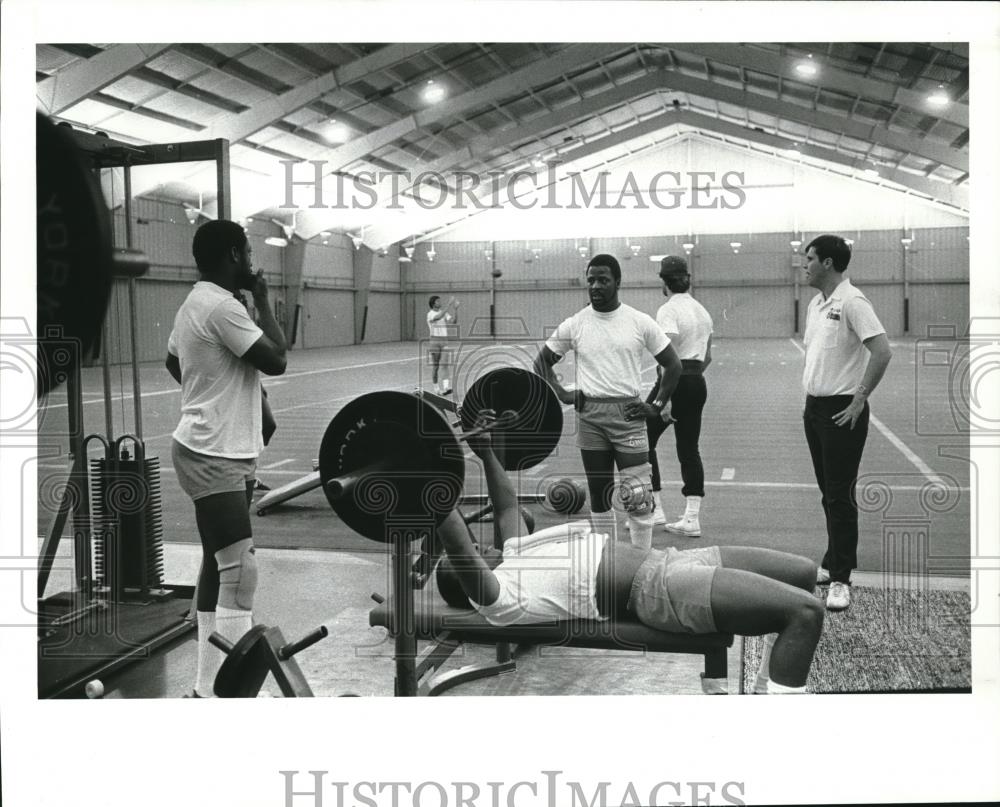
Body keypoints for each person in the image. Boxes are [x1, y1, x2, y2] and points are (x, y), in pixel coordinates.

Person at [434, 409, 825, 694]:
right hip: (660, 589)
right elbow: (460, 546)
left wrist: (486, 451)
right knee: (805, 613)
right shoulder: (499, 599)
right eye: (475, 552)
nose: (482, 545)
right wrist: (428, 491)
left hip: (675, 562)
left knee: (803, 574)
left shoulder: (515, 554)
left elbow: (504, 506)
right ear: (466, 579)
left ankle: (762, 691)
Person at [165, 219, 288, 697]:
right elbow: (277, 358)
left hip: (224, 449)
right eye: (249, 253)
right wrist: (263, 299)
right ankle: (233, 697)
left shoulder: (198, 302)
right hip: (210, 452)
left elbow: (175, 360)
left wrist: (229, 398)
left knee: (218, 566)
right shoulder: (222, 306)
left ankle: (204, 689)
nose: (253, 262)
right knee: (240, 571)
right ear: (234, 254)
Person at [534, 254, 682, 551]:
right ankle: (607, 566)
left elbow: (673, 365)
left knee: (638, 495)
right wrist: (563, 394)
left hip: (629, 414)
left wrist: (655, 405)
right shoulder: (576, 324)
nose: (596, 286)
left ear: (617, 282)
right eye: (591, 280)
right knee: (599, 495)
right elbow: (541, 363)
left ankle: (642, 561)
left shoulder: (639, 321)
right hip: (590, 417)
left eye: (603, 280)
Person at [801, 234, 892, 612]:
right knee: (829, 493)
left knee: (840, 496)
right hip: (815, 409)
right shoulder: (816, 304)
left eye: (809, 258)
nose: (804, 264)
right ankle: (831, 560)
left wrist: (859, 400)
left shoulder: (853, 301)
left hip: (842, 409)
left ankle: (841, 579)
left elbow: (882, 350)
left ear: (827, 263)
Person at [646, 255, 714, 537]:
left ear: (664, 282)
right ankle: (691, 518)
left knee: (641, 440)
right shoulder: (703, 311)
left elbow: (668, 356)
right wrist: (691, 380)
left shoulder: (668, 310)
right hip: (697, 380)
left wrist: (667, 396)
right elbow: (708, 356)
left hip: (674, 382)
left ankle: (655, 509)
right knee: (689, 449)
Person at [427, 294, 459, 394]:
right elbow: (438, 317)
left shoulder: (443, 313)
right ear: (433, 304)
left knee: (445, 364)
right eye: (438, 301)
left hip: (444, 341)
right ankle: (436, 388)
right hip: (434, 341)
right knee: (435, 367)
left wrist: (456, 309)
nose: (440, 303)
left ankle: (446, 388)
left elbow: (454, 321)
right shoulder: (430, 314)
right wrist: (449, 304)